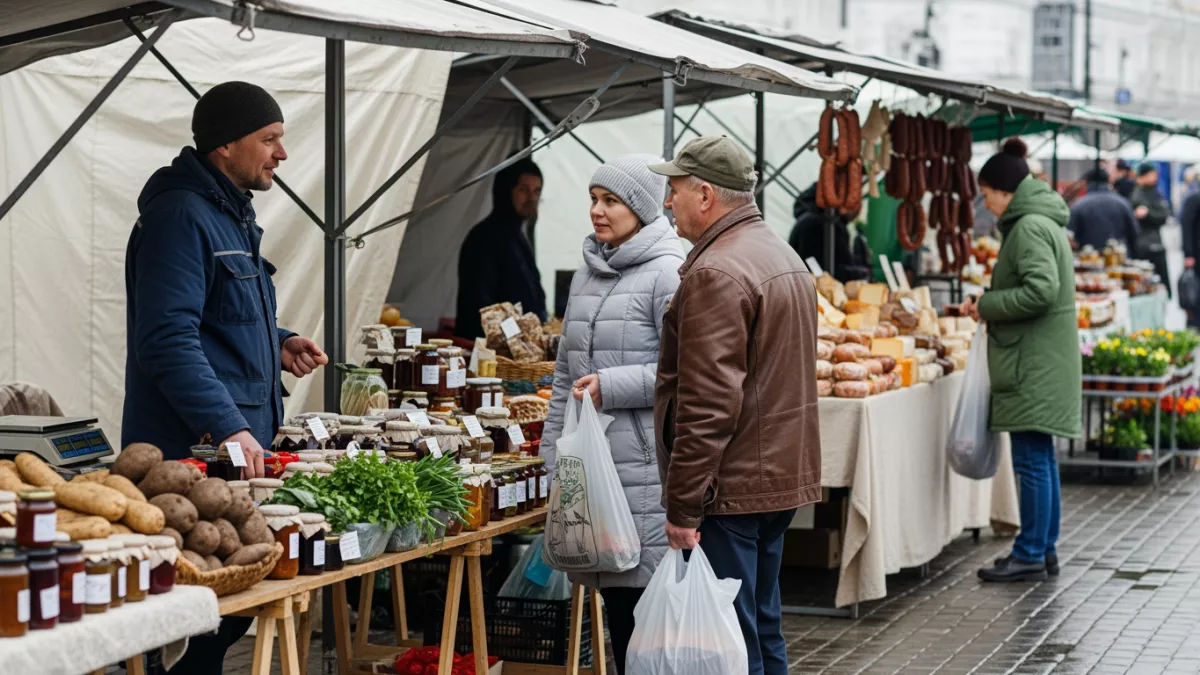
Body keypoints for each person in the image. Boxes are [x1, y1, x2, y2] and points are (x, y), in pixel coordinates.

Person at [123, 82, 328, 674]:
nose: (281, 154)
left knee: (222, 613)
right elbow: (166, 338)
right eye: (269, 139)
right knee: (191, 625)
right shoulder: (179, 217)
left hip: (234, 459)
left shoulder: (229, 213)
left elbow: (218, 316)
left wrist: (279, 339)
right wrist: (227, 425)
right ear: (225, 145)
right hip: (191, 458)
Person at [649, 136, 820, 675]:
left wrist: (682, 506)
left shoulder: (715, 272)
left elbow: (707, 404)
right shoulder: (779, 251)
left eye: (673, 189)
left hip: (734, 485)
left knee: (731, 636)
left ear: (704, 194)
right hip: (775, 477)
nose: (667, 202)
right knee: (759, 623)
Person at [540, 154, 683, 675]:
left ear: (641, 209)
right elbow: (563, 374)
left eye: (611, 201)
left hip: (644, 472)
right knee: (616, 616)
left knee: (641, 619)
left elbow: (685, 372)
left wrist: (612, 386)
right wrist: (553, 453)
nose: (597, 212)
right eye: (593, 200)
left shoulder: (668, 273)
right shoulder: (586, 272)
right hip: (590, 469)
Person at [959, 142, 1081, 583]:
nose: (985, 203)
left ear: (1005, 191)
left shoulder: (1028, 226)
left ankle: (1030, 551)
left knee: (1031, 460)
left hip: (1033, 361)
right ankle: (1042, 548)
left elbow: (1040, 291)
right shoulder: (1040, 219)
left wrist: (988, 304)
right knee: (1041, 458)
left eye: (987, 193)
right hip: (1041, 357)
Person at [455, 159, 547, 339]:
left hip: (518, 350)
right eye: (523, 189)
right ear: (505, 190)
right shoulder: (484, 238)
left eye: (536, 191)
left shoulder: (518, 238)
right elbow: (482, 308)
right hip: (491, 353)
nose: (531, 198)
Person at [787, 183, 871, 282]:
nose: (859, 208)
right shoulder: (823, 225)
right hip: (811, 291)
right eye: (856, 201)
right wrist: (863, 272)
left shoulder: (829, 223)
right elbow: (828, 271)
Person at [1067, 167, 1139, 252]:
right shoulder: (1123, 203)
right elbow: (1134, 232)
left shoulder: (1078, 205)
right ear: (1109, 181)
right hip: (1118, 257)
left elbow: (1069, 235)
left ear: (1086, 182)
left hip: (1089, 258)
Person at [1130, 161, 1172, 298]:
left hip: (1156, 243)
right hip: (1141, 245)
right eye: (1152, 174)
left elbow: (1164, 215)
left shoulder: (1155, 193)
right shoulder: (1136, 194)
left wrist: (1148, 213)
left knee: (1159, 284)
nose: (1155, 176)